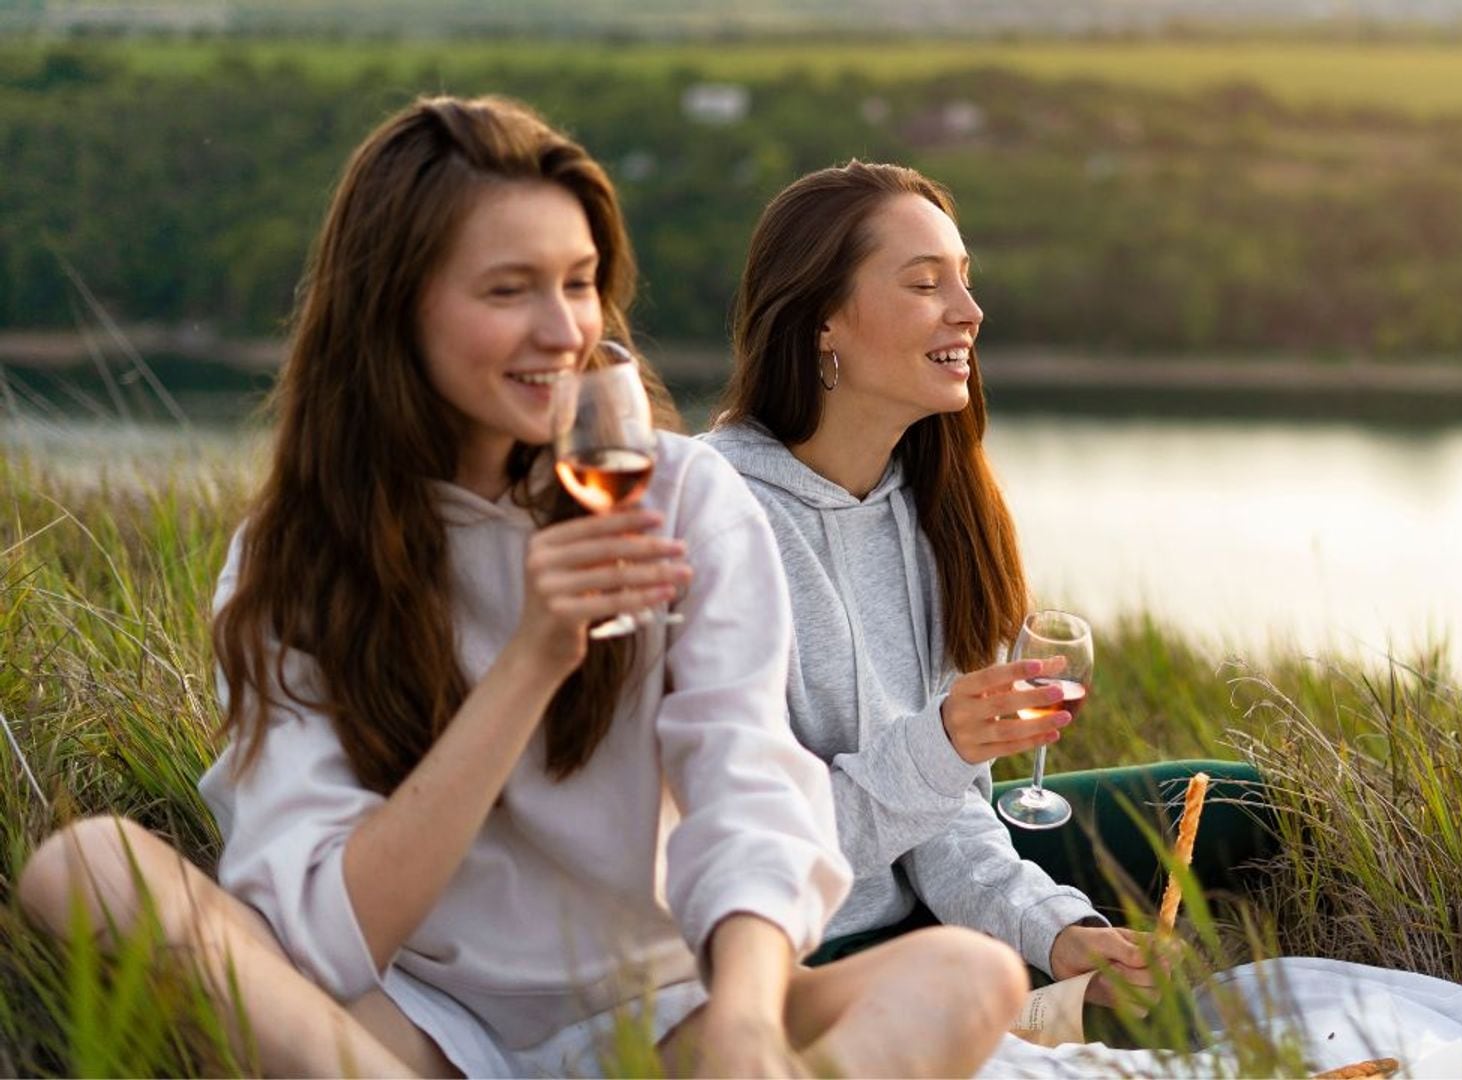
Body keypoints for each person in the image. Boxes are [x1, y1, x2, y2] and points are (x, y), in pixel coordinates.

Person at [18, 99, 1025, 1078]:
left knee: (968, 976)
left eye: (580, 283)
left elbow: (751, 797)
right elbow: (326, 940)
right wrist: (534, 660)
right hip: (418, 1021)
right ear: (394, 306)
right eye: (509, 291)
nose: (562, 330)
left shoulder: (681, 494)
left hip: (659, 1012)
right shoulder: (297, 558)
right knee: (91, 866)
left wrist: (749, 1028)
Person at [701, 161, 1277, 1018]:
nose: (969, 313)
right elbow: (754, 851)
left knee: (1242, 804)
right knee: (1143, 1030)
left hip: (928, 893)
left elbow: (946, 811)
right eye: (925, 284)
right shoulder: (718, 519)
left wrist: (1054, 929)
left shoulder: (930, 503)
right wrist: (941, 744)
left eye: (964, 281)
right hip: (804, 940)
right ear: (823, 319)